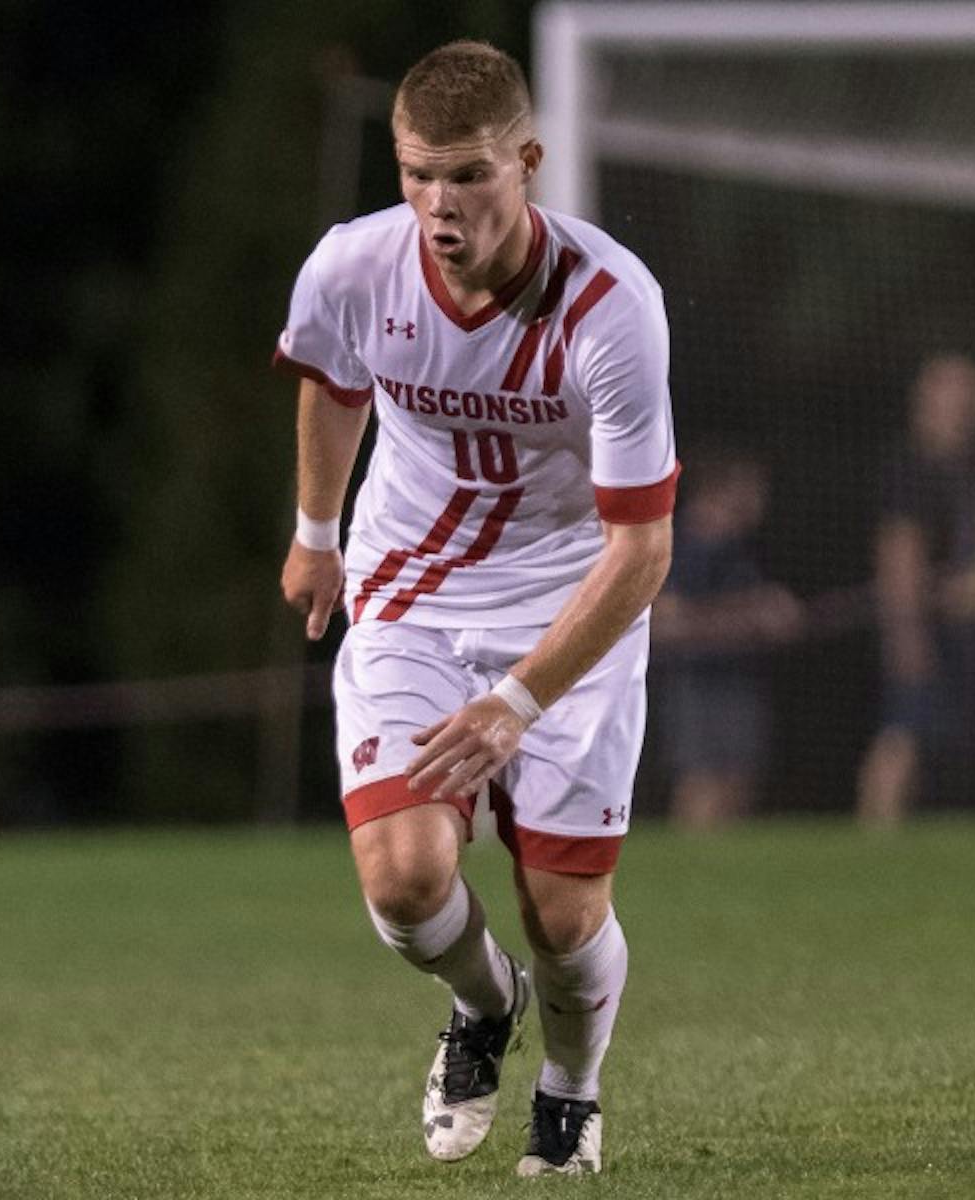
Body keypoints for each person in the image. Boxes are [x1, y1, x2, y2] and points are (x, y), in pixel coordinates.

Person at [274, 41, 677, 1177]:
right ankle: (480, 1004)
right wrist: (314, 535)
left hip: (570, 609)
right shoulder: (354, 267)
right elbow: (331, 378)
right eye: (414, 174)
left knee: (562, 916)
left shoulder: (611, 310)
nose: (436, 205)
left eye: (465, 175)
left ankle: (570, 1086)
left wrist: (517, 699)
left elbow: (640, 550)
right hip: (409, 590)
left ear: (528, 163)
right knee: (403, 882)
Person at [855, 353, 975, 826]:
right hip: (922, 628)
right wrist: (907, 634)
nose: (968, 405)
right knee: (902, 734)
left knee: (924, 736)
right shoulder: (915, 469)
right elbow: (900, 555)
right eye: (955, 392)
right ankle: (875, 829)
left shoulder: (962, 472)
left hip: (954, 635)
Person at [650, 449, 802, 830]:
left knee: (739, 784)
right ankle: (690, 871)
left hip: (740, 680)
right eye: (751, 489)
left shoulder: (739, 548)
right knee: (701, 782)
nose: (760, 500)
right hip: (697, 683)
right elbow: (666, 621)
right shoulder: (683, 543)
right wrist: (752, 614)